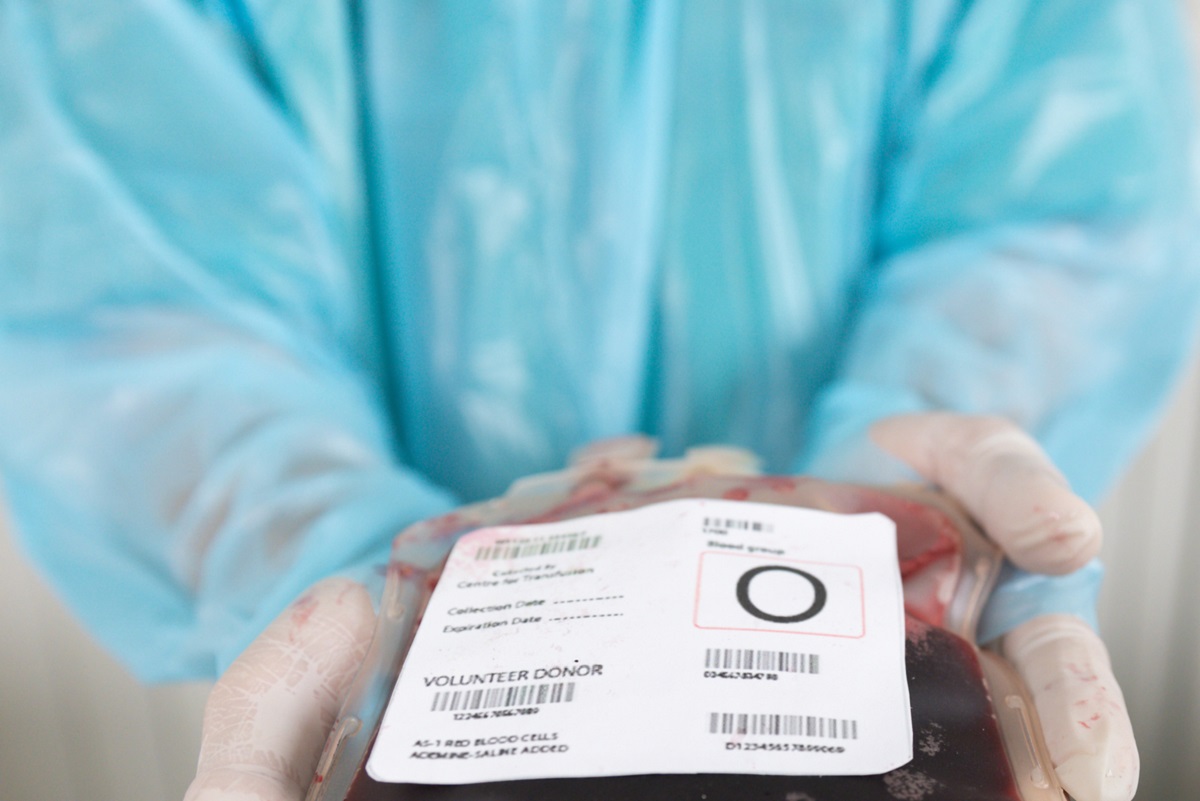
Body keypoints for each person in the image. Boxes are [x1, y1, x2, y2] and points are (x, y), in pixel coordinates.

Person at [1, 1, 1195, 799]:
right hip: (411, 660)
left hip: (849, 637)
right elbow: (121, 296)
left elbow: (1054, 204)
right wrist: (342, 558)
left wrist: (917, 510)